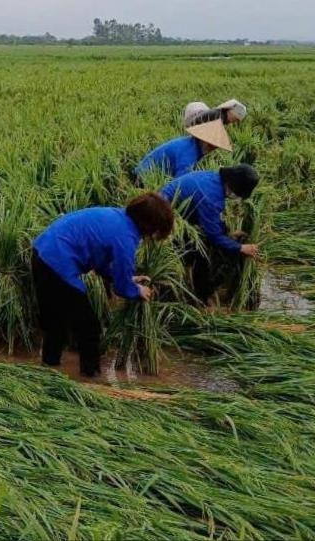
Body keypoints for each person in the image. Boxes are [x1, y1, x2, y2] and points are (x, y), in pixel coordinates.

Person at [31, 192, 174, 377]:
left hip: (42, 252)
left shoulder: (117, 216)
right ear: (149, 224)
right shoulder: (126, 237)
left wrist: (127, 279)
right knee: (89, 328)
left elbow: (101, 262)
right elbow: (122, 289)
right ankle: (91, 379)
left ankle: (49, 371)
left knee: (55, 322)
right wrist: (137, 290)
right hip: (57, 263)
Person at [160, 165, 259, 305]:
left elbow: (211, 219)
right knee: (200, 253)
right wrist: (240, 248)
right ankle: (202, 299)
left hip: (177, 211)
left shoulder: (214, 179)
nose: (237, 197)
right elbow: (214, 236)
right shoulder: (211, 197)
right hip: (162, 218)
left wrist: (226, 232)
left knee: (201, 246)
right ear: (234, 187)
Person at [132, 114, 232, 182]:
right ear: (204, 140)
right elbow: (179, 184)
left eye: (215, 147)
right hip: (143, 177)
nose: (212, 149)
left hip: (148, 172)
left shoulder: (190, 143)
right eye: (212, 145)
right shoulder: (188, 154)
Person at [183, 99, 248, 128]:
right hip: (192, 117)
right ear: (230, 112)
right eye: (235, 119)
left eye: (237, 120)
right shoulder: (218, 116)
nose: (234, 122)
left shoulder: (221, 115)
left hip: (197, 110)